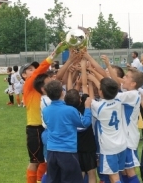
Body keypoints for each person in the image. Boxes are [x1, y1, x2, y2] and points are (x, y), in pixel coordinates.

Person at [19, 44, 64, 183]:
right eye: (30, 70)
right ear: (24, 75)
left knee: (45, 161)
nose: (33, 71)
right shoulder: (28, 86)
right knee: (34, 161)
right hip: (35, 128)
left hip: (45, 128)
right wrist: (54, 54)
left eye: (34, 69)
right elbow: (40, 71)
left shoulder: (42, 89)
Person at [43, 80, 92, 183]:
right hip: (67, 151)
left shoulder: (46, 110)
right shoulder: (70, 110)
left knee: (53, 180)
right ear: (62, 92)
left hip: (51, 151)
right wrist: (87, 108)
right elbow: (85, 123)